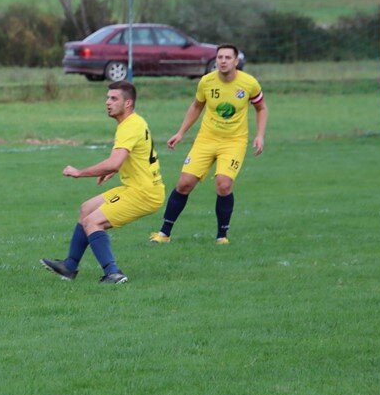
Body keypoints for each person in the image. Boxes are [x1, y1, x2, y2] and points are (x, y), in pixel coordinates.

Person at [42, 81, 164, 284]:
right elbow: (131, 158)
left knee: (93, 222)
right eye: (107, 98)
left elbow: (114, 163)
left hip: (144, 193)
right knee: (86, 209)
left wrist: (80, 173)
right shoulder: (134, 122)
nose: (108, 102)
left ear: (128, 103)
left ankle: (113, 273)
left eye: (114, 98)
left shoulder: (129, 127)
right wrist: (113, 170)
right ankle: (69, 266)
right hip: (138, 187)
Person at [149, 44, 267, 244]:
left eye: (227, 57)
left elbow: (261, 108)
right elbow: (197, 106)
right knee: (184, 184)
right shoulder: (206, 82)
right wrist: (180, 133)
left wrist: (260, 135)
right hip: (206, 139)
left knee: (223, 184)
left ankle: (222, 236)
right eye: (219, 57)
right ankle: (164, 234)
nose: (222, 61)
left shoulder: (249, 84)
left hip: (234, 142)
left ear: (236, 61)